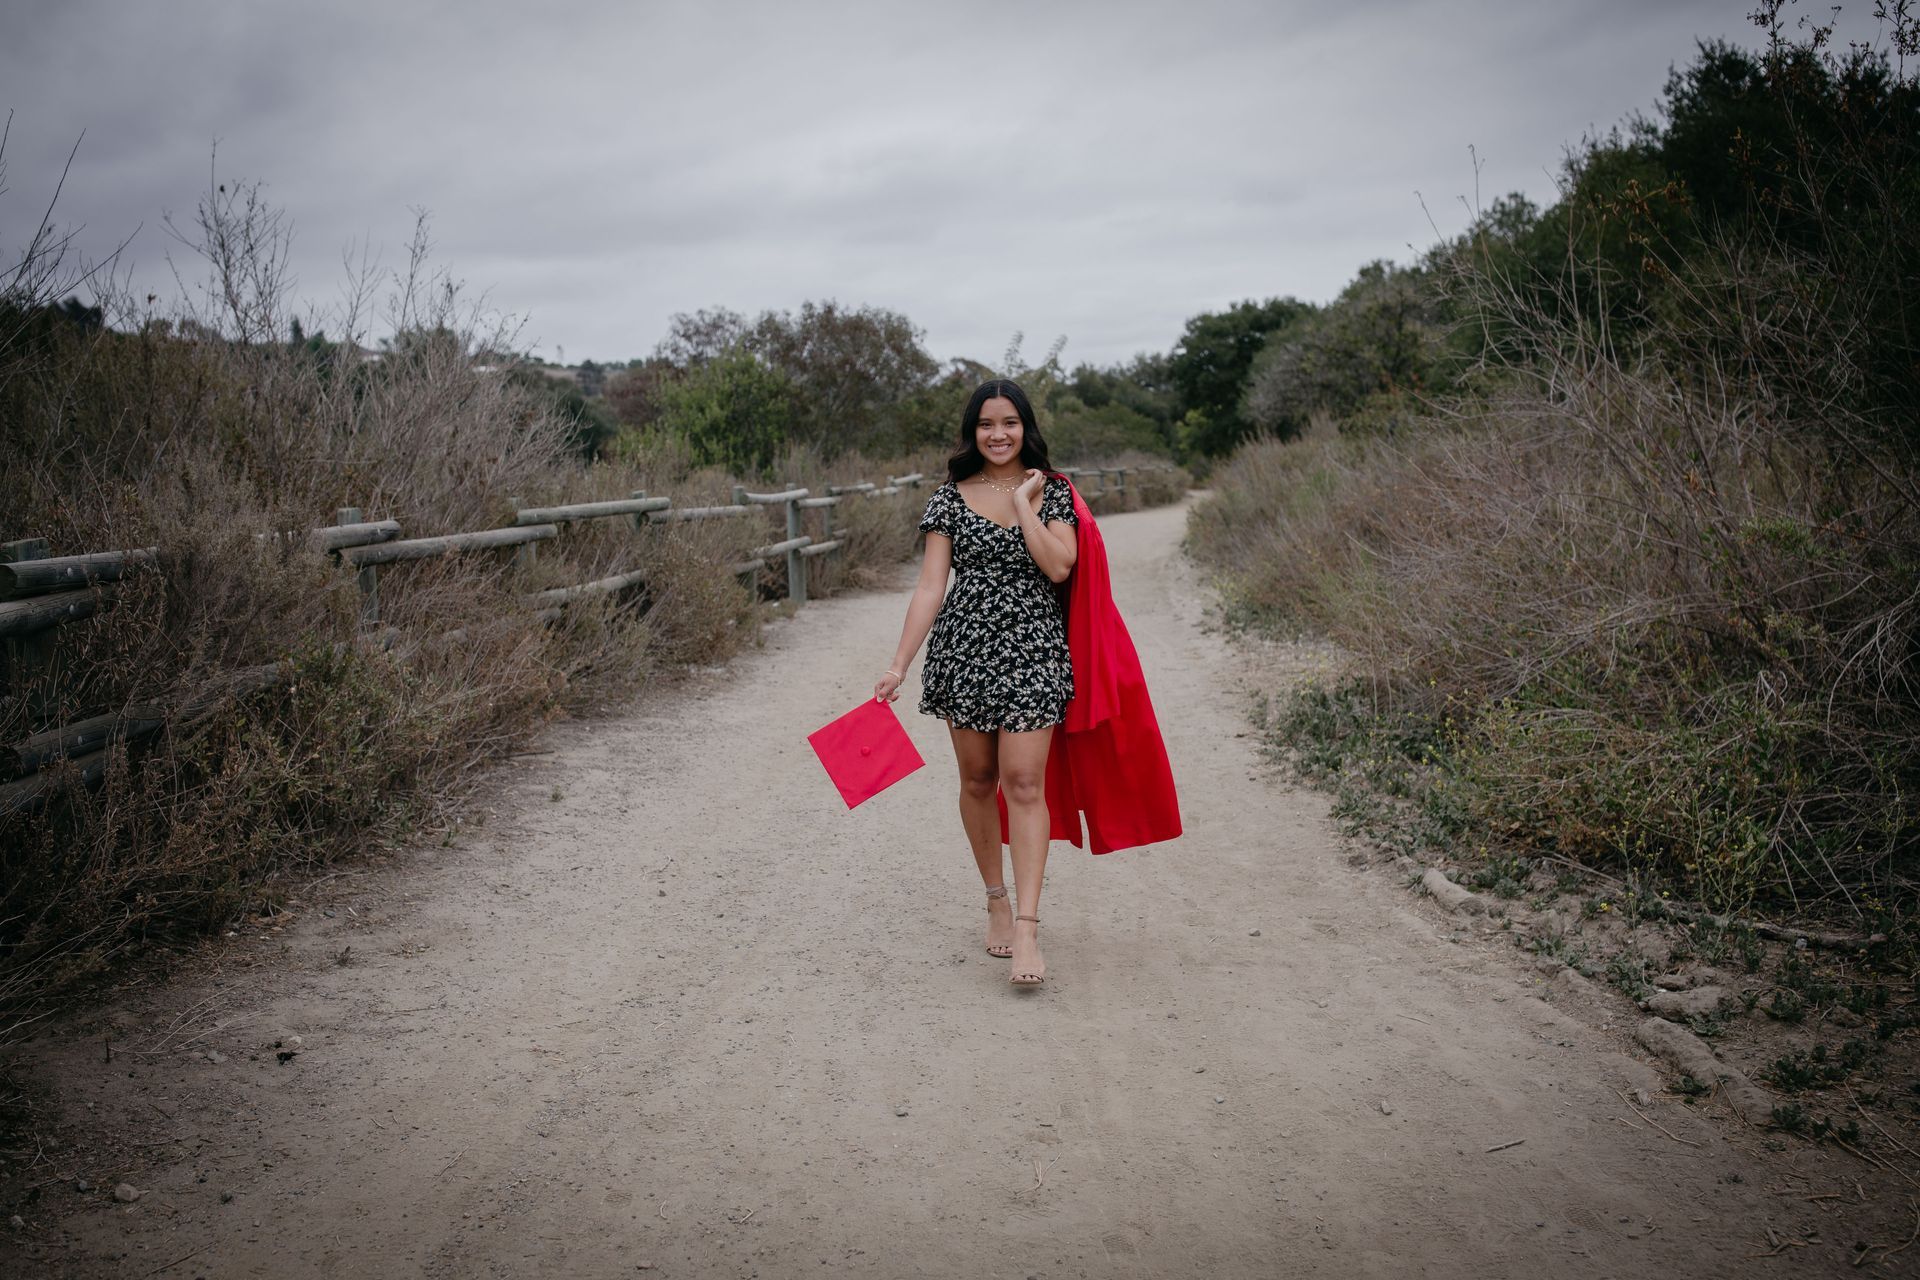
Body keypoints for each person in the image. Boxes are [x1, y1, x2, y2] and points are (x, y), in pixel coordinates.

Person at [873, 378, 1076, 988]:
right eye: (987, 424)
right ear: (973, 431)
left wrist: (1024, 505)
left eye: (1009, 422)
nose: (998, 434)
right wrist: (898, 665)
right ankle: (996, 900)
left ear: (1025, 427)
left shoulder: (1054, 492)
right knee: (978, 780)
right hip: (964, 653)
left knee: (1024, 783)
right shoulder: (948, 499)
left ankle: (1028, 928)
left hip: (1034, 651)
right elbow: (930, 587)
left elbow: (1059, 566)